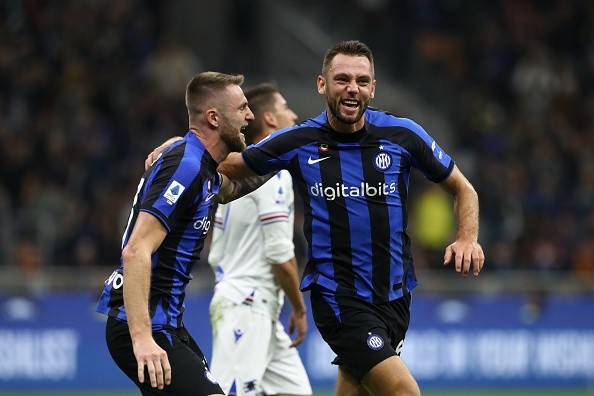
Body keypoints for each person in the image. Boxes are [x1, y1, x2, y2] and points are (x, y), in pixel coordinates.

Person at [147, 40, 485, 396]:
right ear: (322, 85)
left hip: (396, 296)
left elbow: (464, 189)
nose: (352, 87)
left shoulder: (402, 135)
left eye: (361, 80)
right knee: (403, 392)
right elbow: (228, 163)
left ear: (373, 88)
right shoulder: (300, 140)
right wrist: (181, 146)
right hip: (340, 299)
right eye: (342, 79)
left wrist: (467, 236)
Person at [96, 71, 272, 396]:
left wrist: (285, 156)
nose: (250, 116)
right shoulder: (186, 166)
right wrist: (142, 338)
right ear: (214, 117)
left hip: (167, 324)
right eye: (242, 108)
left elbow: (234, 186)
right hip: (143, 324)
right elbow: (136, 250)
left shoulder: (202, 168)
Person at [207, 82, 312, 396]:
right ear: (269, 119)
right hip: (246, 304)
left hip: (257, 306)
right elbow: (280, 255)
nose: (292, 114)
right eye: (284, 107)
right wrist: (299, 308)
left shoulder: (236, 169)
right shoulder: (271, 172)